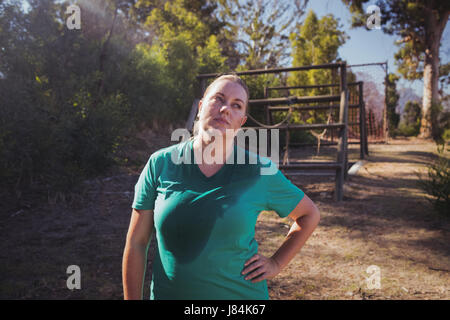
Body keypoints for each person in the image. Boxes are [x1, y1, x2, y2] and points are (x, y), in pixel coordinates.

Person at [122, 74, 320, 300]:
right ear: (200, 106)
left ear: (242, 121)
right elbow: (137, 243)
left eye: (237, 105)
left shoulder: (259, 170)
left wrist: (276, 262)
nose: (226, 109)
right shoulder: (160, 163)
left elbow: (309, 214)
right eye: (218, 99)